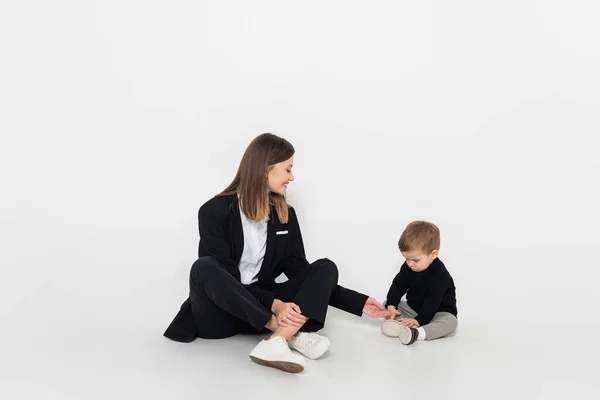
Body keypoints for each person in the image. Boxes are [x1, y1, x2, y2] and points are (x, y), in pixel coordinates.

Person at [164, 133, 386, 373]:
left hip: (260, 310)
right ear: (264, 168)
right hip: (221, 316)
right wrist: (275, 306)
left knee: (325, 267)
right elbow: (227, 281)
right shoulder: (213, 212)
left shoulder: (285, 214)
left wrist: (358, 302)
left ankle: (278, 338)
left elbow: (300, 271)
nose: (292, 177)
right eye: (288, 169)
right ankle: (285, 334)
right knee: (204, 267)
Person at [381, 221, 458, 345]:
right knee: (386, 305)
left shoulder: (439, 275)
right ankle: (402, 327)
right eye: (406, 259)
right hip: (414, 309)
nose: (410, 264)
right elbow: (398, 285)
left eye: (415, 260)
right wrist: (391, 305)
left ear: (433, 254)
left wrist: (419, 320)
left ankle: (417, 333)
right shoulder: (408, 267)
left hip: (438, 312)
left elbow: (433, 301)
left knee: (451, 323)